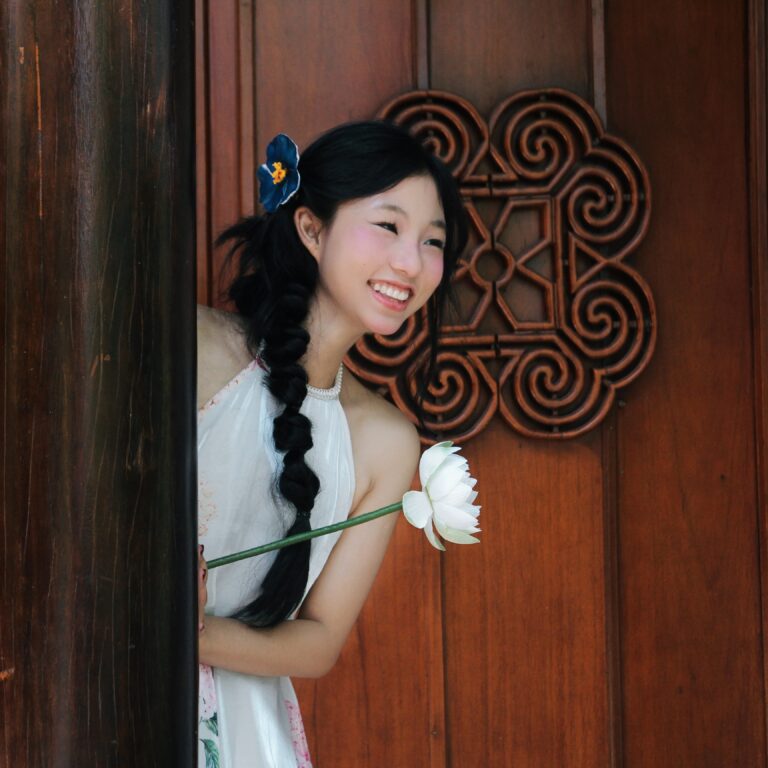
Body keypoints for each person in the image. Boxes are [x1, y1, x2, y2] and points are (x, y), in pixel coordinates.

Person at [196, 120, 467, 767]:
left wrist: (192, 633)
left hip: (244, 734)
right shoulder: (197, 349)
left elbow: (318, 640)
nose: (411, 263)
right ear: (312, 230)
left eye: (432, 241)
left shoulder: (387, 442)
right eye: (389, 226)